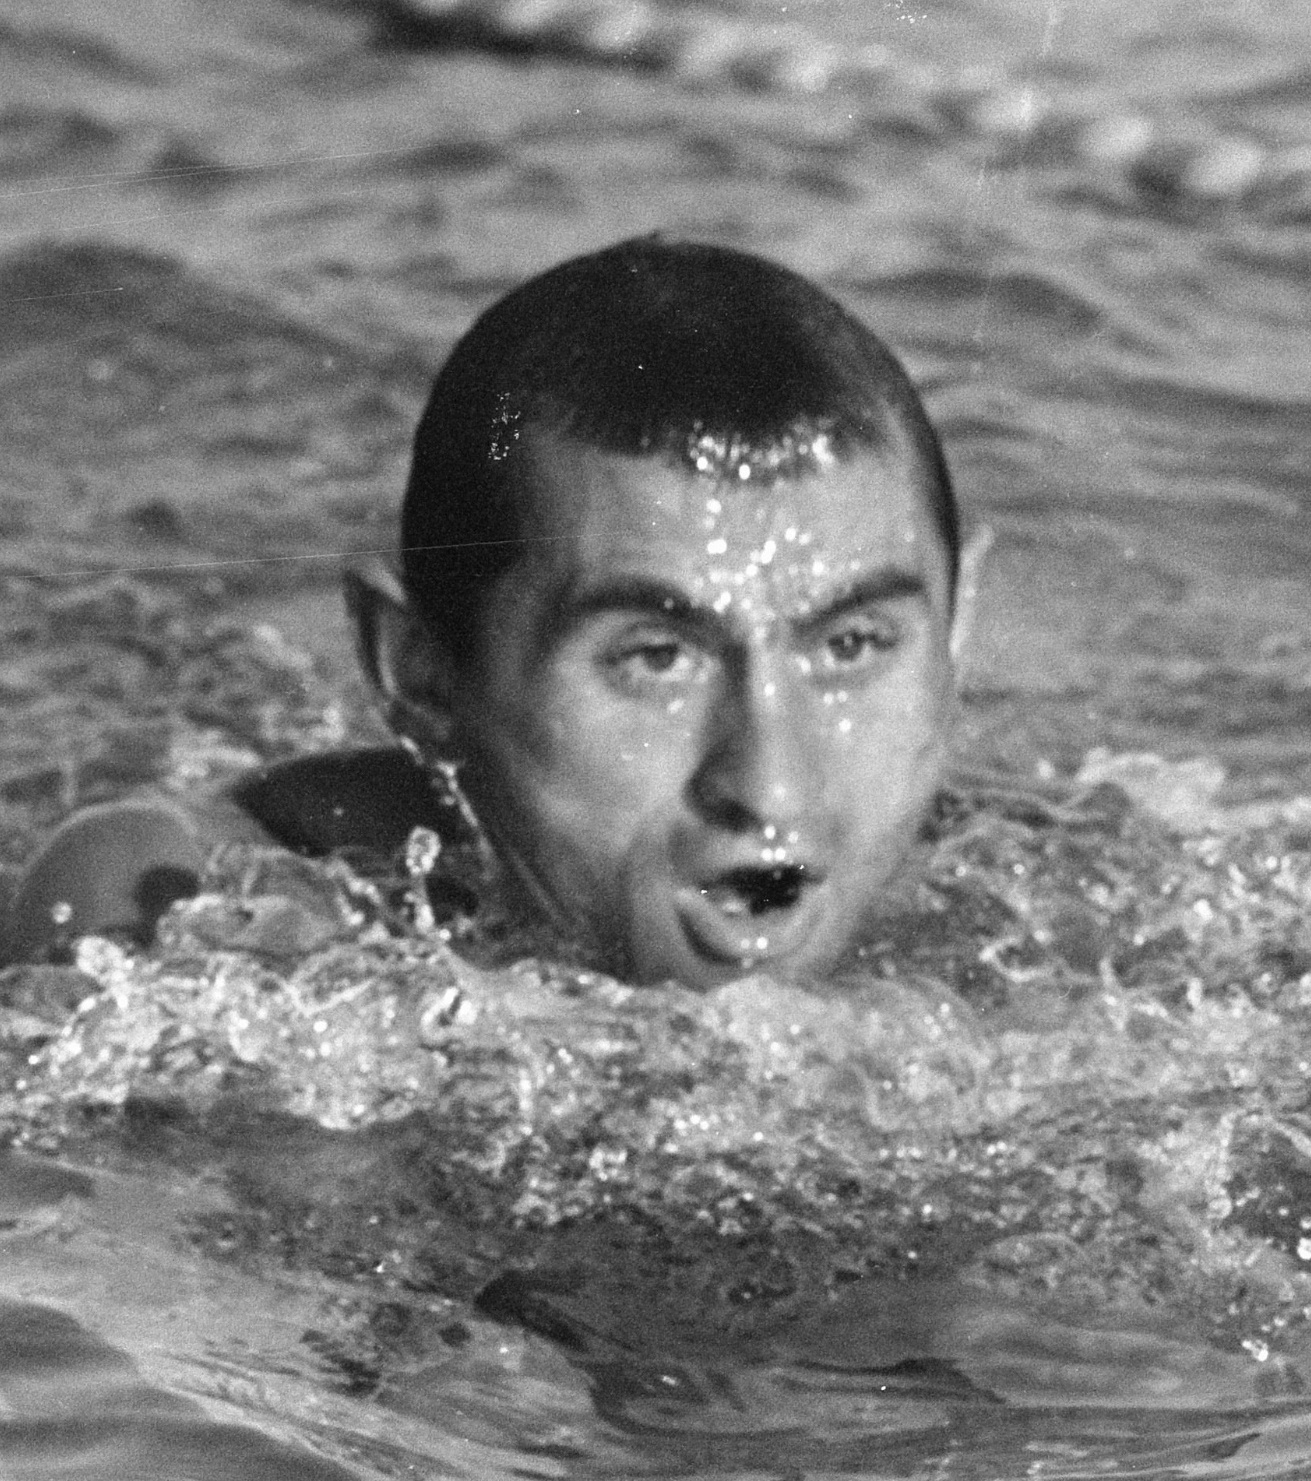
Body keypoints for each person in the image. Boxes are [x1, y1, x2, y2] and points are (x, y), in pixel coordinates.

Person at [3, 236, 976, 989]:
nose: (772, 787)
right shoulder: (178, 920)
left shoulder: (1026, 912)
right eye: (656, 657)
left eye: (852, 645)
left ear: (954, 636)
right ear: (418, 670)